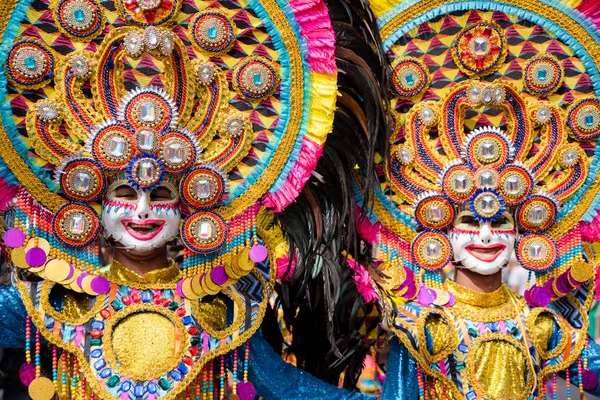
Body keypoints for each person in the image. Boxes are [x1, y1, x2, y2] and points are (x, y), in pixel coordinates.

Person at [0, 0, 339, 398]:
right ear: (95, 205)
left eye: (159, 194)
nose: (142, 210)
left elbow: (289, 388)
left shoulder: (217, 312)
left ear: (188, 210)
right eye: (126, 193)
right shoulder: (54, 301)